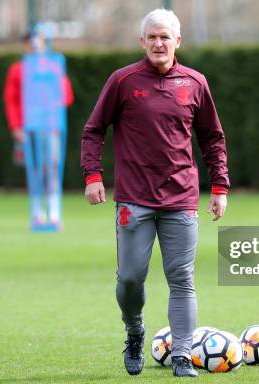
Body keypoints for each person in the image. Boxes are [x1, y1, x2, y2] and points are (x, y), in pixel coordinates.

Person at [80, 8, 229, 377]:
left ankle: (182, 355)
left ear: (178, 41)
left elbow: (212, 138)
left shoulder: (195, 83)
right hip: (133, 198)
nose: (159, 43)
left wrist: (220, 186)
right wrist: (93, 175)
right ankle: (134, 331)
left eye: (166, 37)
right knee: (130, 278)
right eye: (152, 37)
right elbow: (94, 129)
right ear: (142, 42)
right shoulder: (123, 81)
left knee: (182, 278)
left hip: (181, 198)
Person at [4, 29, 75, 228]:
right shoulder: (18, 69)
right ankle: (36, 213)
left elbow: (66, 97)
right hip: (29, 126)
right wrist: (16, 126)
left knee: (51, 167)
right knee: (34, 169)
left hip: (50, 125)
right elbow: (12, 100)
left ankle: (53, 213)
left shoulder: (53, 66)